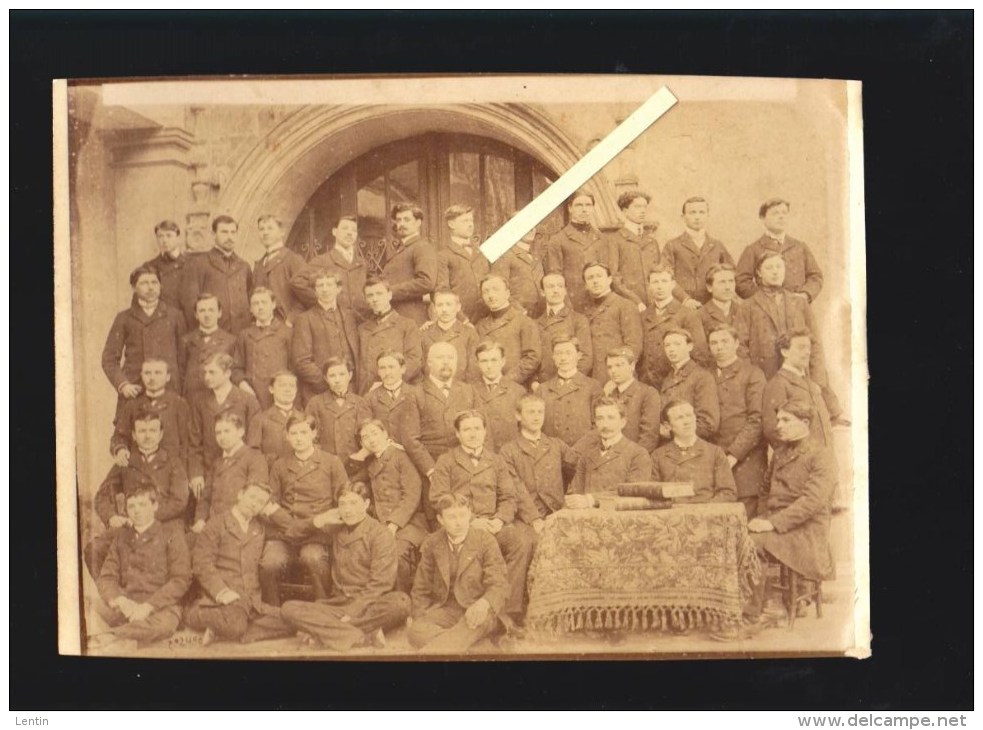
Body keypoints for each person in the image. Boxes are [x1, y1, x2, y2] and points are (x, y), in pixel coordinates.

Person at [428, 410, 534, 630]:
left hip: (493, 523)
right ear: (457, 434)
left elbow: (508, 496)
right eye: (466, 429)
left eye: (477, 428)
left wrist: (500, 520)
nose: (473, 433)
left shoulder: (495, 460)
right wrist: (471, 521)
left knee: (520, 542)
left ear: (485, 431)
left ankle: (507, 612)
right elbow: (438, 497)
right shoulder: (446, 461)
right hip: (462, 525)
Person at [280, 482, 412, 651]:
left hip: (369, 604)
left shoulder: (380, 534)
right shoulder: (335, 528)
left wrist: (352, 612)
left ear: (366, 504)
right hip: (337, 604)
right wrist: (320, 519)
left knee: (401, 602)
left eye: (354, 503)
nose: (348, 510)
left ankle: (325, 632)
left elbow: (381, 584)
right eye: (342, 504)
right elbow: (291, 533)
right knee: (288, 609)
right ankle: (362, 635)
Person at [742, 401, 837, 631]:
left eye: (786, 420)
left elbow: (811, 503)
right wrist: (764, 517)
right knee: (739, 536)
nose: (778, 426)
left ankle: (768, 609)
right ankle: (754, 604)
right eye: (778, 420)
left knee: (753, 544)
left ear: (805, 423)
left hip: (807, 531)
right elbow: (765, 490)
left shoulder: (821, 455)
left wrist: (772, 523)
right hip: (781, 526)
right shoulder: (781, 452)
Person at [86, 409, 190, 580]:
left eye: (152, 431)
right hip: (131, 524)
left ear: (160, 433)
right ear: (133, 435)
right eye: (142, 431)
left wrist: (148, 517)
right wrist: (111, 517)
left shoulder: (173, 461)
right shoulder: (126, 462)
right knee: (94, 550)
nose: (147, 436)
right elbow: (102, 495)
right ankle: (116, 597)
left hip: (166, 523)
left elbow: (179, 501)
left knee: (176, 558)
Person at [88, 484, 191, 653]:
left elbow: (180, 579)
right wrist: (120, 601)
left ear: (155, 506)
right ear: (126, 510)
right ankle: (134, 633)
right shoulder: (121, 537)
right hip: (127, 605)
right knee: (92, 604)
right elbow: (107, 577)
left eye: (143, 505)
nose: (137, 511)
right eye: (131, 506)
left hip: (160, 606)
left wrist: (148, 607)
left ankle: (113, 635)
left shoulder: (172, 534)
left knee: (165, 626)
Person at [185, 483, 292, 644]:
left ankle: (227, 630)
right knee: (235, 622)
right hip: (222, 598)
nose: (254, 503)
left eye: (260, 502)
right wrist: (222, 592)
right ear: (240, 495)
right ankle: (192, 615)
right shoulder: (216, 524)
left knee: (292, 620)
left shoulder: (259, 527)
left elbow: (291, 528)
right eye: (252, 497)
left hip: (251, 602)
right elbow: (202, 563)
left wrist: (275, 513)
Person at [259, 413, 348, 605]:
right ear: (287, 437)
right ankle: (273, 614)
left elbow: (343, 500)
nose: (299, 438)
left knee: (314, 559)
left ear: (314, 434)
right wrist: (290, 525)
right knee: (269, 564)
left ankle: (323, 608)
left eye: (304, 432)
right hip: (284, 532)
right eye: (294, 433)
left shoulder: (331, 462)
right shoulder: (280, 465)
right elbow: (270, 505)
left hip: (317, 533)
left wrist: (322, 521)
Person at [408, 494, 509, 654]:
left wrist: (483, 604)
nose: (458, 522)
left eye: (462, 515)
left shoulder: (485, 541)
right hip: (448, 609)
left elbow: (499, 583)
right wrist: (419, 616)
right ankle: (473, 647)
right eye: (451, 517)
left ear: (470, 513)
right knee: (415, 631)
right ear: (441, 519)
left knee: (476, 622)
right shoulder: (433, 543)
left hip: (479, 608)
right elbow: (421, 587)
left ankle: (434, 651)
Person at [356, 419, 427, 592]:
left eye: (375, 433)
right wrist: (361, 455)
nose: (372, 440)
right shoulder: (371, 462)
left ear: (385, 434)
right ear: (362, 443)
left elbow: (412, 493)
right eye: (365, 437)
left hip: (408, 523)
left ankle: (400, 602)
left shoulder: (400, 456)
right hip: (382, 523)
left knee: (393, 556)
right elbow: (351, 481)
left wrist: (394, 523)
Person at [102, 265, 186, 403]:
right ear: (134, 288)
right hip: (135, 390)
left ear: (160, 285)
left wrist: (179, 388)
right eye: (144, 283)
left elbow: (183, 358)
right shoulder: (124, 318)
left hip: (169, 390)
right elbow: (109, 359)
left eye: (154, 282)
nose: (150, 287)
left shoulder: (175, 316)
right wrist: (123, 385)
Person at [708, 324, 768, 517]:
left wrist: (733, 455)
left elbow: (757, 420)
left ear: (736, 344)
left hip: (745, 460)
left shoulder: (752, 374)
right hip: (714, 459)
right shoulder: (705, 375)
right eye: (714, 342)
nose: (719, 347)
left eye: (725, 341)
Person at [745, 250, 829, 382]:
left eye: (779, 267)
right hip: (765, 377)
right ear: (759, 273)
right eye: (769, 267)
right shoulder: (748, 306)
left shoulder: (799, 303)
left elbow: (815, 342)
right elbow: (741, 349)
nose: (775, 271)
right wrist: (752, 380)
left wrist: (818, 381)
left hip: (799, 377)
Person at [188, 353, 263, 497]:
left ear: (227, 373)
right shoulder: (199, 402)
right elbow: (194, 442)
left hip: (239, 470)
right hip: (209, 470)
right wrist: (196, 473)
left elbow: (254, 443)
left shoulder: (248, 400)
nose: (207, 377)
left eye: (212, 372)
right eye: (205, 372)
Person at [499, 393, 578, 528]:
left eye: (540, 412)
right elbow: (516, 489)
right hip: (527, 518)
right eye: (531, 412)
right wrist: (534, 519)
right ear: (518, 416)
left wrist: (568, 502)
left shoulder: (556, 445)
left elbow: (575, 470)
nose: (536, 417)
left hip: (559, 513)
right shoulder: (508, 451)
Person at [761, 330, 842, 449]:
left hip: (823, 458)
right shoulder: (778, 384)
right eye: (801, 348)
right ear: (784, 352)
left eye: (808, 348)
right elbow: (772, 430)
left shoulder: (811, 384)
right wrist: (797, 459)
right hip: (800, 464)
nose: (807, 353)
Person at [565, 397, 652, 508]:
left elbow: (633, 493)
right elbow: (575, 492)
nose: (605, 425)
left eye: (611, 418)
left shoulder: (638, 454)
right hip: (588, 519)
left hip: (621, 519)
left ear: (623, 422)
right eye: (600, 418)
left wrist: (591, 500)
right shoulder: (587, 455)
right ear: (595, 422)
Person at [191, 412, 269, 534]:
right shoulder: (217, 463)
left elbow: (254, 499)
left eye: (227, 431)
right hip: (213, 526)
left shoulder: (254, 458)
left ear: (241, 432)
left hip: (240, 528)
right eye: (218, 433)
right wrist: (200, 520)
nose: (222, 437)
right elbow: (205, 498)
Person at [735, 198, 824, 301]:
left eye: (784, 213)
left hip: (797, 307)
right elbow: (741, 281)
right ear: (763, 218)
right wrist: (763, 299)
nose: (781, 217)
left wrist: (805, 295)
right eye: (775, 213)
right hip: (767, 311)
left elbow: (815, 276)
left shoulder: (800, 247)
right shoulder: (753, 249)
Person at [291, 270, 359, 403]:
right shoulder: (305, 319)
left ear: (338, 288)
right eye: (320, 286)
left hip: (352, 391)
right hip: (320, 392)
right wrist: (330, 383)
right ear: (315, 291)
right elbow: (301, 362)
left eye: (329, 284)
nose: (325, 289)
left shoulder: (350, 316)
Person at [109, 358, 191, 469]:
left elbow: (187, 444)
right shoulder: (132, 405)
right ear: (141, 375)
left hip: (170, 470)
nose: (152, 378)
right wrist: (120, 449)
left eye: (158, 373)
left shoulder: (179, 404)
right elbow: (118, 436)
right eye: (147, 373)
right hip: (139, 469)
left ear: (168, 377)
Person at [651, 399, 737, 504]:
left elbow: (728, 493)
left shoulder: (714, 453)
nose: (687, 422)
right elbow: (653, 493)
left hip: (707, 515)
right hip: (673, 515)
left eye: (689, 415)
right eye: (679, 418)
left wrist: (704, 510)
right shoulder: (658, 456)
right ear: (667, 425)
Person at [362, 351, 432, 479]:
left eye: (391, 367)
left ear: (403, 369)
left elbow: (427, 428)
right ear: (378, 371)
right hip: (384, 462)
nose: (387, 372)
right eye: (382, 368)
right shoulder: (370, 398)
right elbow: (365, 432)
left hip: (415, 460)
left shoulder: (417, 393)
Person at [639, 263, 709, 388]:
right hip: (647, 383)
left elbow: (700, 354)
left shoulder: (687, 314)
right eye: (655, 282)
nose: (659, 286)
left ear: (672, 284)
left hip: (677, 382)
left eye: (664, 281)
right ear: (649, 285)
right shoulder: (643, 316)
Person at [544, 190, 616, 313]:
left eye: (588, 205)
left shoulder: (602, 238)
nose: (584, 209)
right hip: (573, 304)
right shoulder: (558, 240)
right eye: (579, 205)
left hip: (601, 304)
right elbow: (555, 277)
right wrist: (566, 307)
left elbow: (609, 273)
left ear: (593, 208)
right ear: (570, 208)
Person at [290, 215, 371, 322]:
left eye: (353, 230)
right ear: (334, 232)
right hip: (334, 320)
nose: (349, 233)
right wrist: (323, 302)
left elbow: (372, 286)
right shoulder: (322, 260)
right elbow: (297, 282)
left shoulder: (362, 263)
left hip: (363, 321)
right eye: (345, 228)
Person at [662, 196, 736, 307]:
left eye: (701, 212)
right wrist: (685, 299)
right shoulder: (672, 245)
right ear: (683, 217)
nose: (697, 217)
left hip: (711, 306)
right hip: (681, 306)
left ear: (707, 215)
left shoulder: (717, 245)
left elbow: (731, 273)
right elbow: (666, 277)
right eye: (692, 213)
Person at [304, 357, 372, 473]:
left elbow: (368, 437)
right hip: (324, 467)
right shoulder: (316, 403)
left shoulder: (360, 403)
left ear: (350, 375)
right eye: (332, 376)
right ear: (325, 378)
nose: (337, 380)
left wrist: (357, 459)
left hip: (355, 467)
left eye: (342, 374)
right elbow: (309, 438)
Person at [356, 277, 423, 393]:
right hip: (368, 392)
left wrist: (388, 384)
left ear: (389, 295)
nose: (375, 299)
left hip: (397, 391)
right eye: (370, 296)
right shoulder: (362, 329)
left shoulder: (407, 325)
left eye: (379, 294)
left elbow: (414, 361)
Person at [473, 275, 542, 387]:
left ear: (507, 293)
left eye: (495, 289)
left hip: (516, 386)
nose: (491, 295)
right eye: (486, 292)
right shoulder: (480, 326)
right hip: (487, 387)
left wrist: (506, 381)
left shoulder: (523, 321)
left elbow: (532, 357)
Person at [189, 215, 253, 334]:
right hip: (213, 335)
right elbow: (191, 304)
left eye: (233, 232)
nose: (229, 237)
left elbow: (251, 300)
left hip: (242, 334)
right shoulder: (199, 263)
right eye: (224, 232)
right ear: (214, 235)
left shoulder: (244, 266)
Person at [230, 287, 292, 410]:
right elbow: (236, 369)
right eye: (255, 304)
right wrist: (245, 388)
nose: (260, 307)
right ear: (251, 309)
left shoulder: (286, 332)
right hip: (252, 395)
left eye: (264, 302)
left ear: (273, 305)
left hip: (280, 395)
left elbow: (294, 367)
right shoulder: (245, 335)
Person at [582, 261, 643, 382]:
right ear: (586, 285)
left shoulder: (625, 306)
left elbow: (633, 346)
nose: (595, 281)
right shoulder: (584, 311)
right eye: (590, 278)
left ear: (609, 279)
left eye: (599, 276)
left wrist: (618, 375)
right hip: (591, 378)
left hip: (617, 377)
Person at [538, 336, 603, 447]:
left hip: (584, 454)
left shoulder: (592, 387)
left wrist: (580, 449)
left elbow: (599, 425)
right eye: (558, 353)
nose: (563, 358)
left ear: (578, 356)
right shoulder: (542, 390)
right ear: (553, 357)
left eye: (568, 353)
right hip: (552, 454)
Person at [382, 203, 439, 325]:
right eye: (399, 220)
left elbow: (426, 282)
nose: (401, 224)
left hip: (412, 317)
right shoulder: (400, 249)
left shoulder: (422, 247)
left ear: (418, 223)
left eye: (407, 220)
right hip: (396, 315)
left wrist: (390, 292)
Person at [660, 328, 720, 441]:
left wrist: (672, 433)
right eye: (667, 345)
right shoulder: (667, 379)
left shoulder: (701, 377)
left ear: (689, 347)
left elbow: (708, 424)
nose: (671, 349)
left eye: (677, 344)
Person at [600, 346, 662, 452]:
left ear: (632, 366)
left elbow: (649, 436)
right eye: (610, 367)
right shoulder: (609, 396)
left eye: (619, 365)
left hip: (635, 460)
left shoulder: (648, 394)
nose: (613, 371)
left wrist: (633, 460)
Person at [534, 272, 593, 383]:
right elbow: (532, 357)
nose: (556, 290)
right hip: (542, 386)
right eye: (550, 287)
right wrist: (534, 382)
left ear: (565, 290)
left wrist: (570, 381)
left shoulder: (578, 320)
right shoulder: (535, 324)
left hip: (570, 384)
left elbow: (586, 357)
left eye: (560, 286)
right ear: (542, 292)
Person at [606, 190, 660, 309]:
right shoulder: (615, 240)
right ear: (625, 211)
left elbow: (660, 273)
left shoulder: (652, 241)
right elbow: (614, 277)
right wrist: (636, 301)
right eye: (637, 207)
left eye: (644, 207)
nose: (642, 211)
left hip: (654, 304)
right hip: (628, 304)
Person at [436, 204, 491, 323]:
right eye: (465, 221)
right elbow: (442, 290)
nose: (470, 224)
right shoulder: (443, 255)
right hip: (461, 318)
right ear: (451, 224)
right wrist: (462, 319)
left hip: (487, 316)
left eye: (471, 220)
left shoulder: (480, 252)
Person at [141, 219, 198, 328]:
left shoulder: (192, 264)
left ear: (178, 238)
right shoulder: (149, 266)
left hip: (187, 324)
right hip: (159, 325)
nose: (164, 240)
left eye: (169, 236)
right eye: (160, 236)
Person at [472, 340, 527, 451]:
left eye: (494, 360)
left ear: (503, 361)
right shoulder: (470, 391)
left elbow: (525, 430)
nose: (489, 366)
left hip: (511, 456)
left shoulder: (518, 391)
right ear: (477, 363)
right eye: (484, 361)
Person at [179, 293, 236, 399]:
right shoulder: (186, 340)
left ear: (219, 313)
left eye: (211, 310)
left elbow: (233, 373)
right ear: (196, 315)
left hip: (218, 396)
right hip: (192, 396)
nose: (207, 315)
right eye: (202, 311)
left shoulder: (231, 340)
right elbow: (181, 372)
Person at [252, 214, 305, 322]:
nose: (265, 233)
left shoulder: (293, 259)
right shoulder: (259, 265)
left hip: (286, 327)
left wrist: (290, 320)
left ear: (282, 232)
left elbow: (306, 297)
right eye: (261, 229)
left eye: (270, 228)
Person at [247, 370, 304, 469]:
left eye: (291, 386)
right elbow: (253, 454)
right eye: (282, 385)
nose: (287, 390)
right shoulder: (260, 419)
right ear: (271, 389)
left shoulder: (304, 418)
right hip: (272, 475)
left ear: (296, 390)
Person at [420, 290, 479, 384]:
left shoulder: (469, 333)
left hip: (460, 390)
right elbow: (420, 367)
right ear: (434, 308)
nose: (444, 309)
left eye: (449, 304)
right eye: (440, 305)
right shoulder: (424, 333)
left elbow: (473, 370)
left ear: (458, 307)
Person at [490, 224, 544, 317]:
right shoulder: (505, 255)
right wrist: (521, 311)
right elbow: (498, 289)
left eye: (533, 225)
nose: (531, 229)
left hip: (541, 313)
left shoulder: (536, 254)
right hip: (518, 314)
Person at [698, 263, 751, 359]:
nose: (728, 287)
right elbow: (701, 352)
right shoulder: (700, 315)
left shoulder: (745, 311)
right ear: (709, 287)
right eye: (722, 282)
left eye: (731, 281)